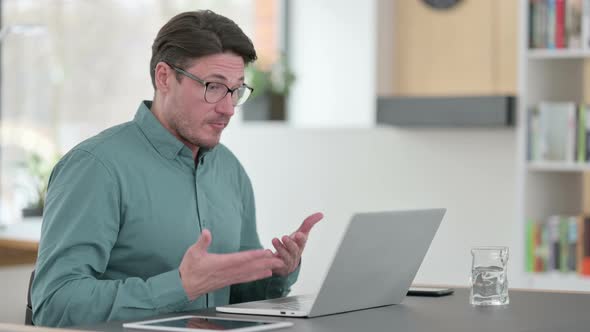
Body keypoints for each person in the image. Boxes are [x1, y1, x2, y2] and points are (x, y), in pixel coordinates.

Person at [31, 10, 323, 327]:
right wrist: (181, 286)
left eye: (236, 90)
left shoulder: (229, 170)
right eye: (213, 86)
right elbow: (55, 304)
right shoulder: (96, 167)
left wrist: (275, 274)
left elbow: (237, 297)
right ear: (164, 77)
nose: (227, 108)